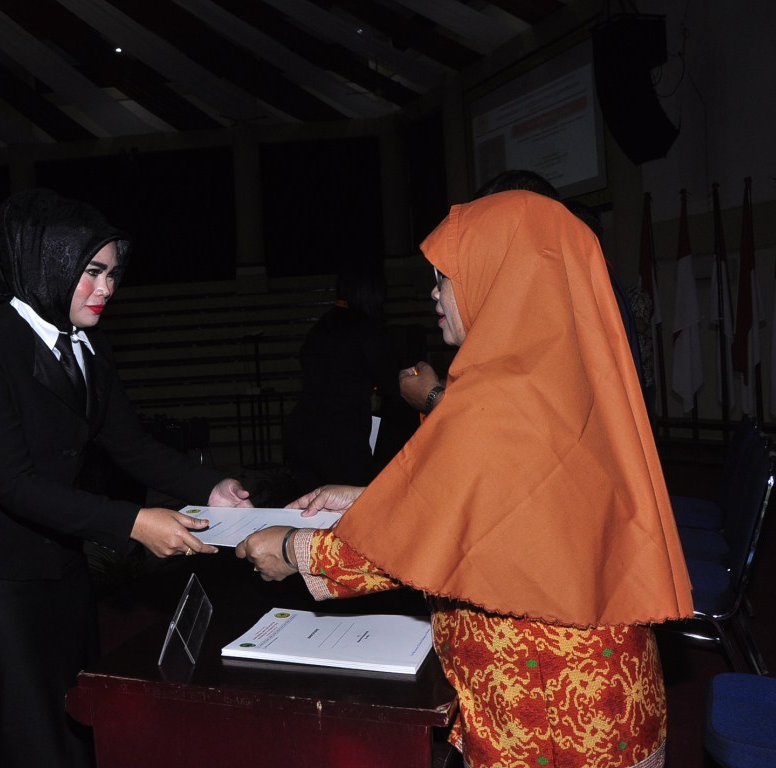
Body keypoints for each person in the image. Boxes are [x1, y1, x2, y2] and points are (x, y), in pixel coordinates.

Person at [237, 191, 692, 768]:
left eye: (445, 277)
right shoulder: (557, 370)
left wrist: (290, 549)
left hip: (552, 715)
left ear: (499, 276)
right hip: (602, 688)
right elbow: (490, 505)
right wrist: (368, 498)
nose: (433, 293)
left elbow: (428, 530)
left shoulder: (502, 395)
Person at [0, 188, 252, 768]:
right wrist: (132, 522)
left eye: (112, 274)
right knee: (31, 742)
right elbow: (11, 482)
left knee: (80, 723)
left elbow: (128, 443)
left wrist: (210, 489)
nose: (107, 288)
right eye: (92, 272)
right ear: (47, 264)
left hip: (62, 563)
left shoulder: (89, 344)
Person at [400, 170, 645, 416]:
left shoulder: (552, 330)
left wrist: (433, 398)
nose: (435, 292)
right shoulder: (532, 323)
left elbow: (521, 426)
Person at [283, 264, 400, 491]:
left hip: (302, 434)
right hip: (340, 440)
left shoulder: (322, 326)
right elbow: (391, 386)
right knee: (355, 506)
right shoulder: (367, 330)